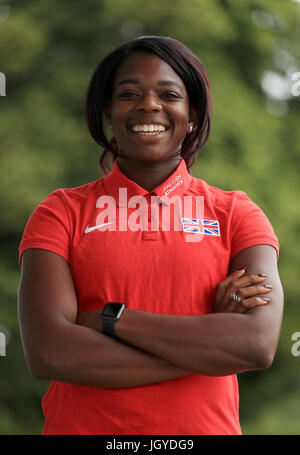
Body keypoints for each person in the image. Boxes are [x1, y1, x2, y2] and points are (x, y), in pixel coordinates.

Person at [18, 36, 284, 435]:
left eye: (168, 93)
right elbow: (49, 352)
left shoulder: (237, 215)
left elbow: (257, 345)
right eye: (128, 93)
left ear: (191, 114)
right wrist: (210, 346)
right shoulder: (60, 214)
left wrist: (112, 319)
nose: (148, 104)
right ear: (108, 110)